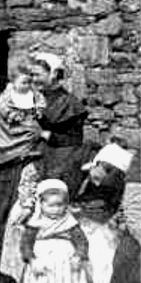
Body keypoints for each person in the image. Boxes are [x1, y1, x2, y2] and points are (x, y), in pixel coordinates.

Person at [0, 57, 46, 283]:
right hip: (9, 165)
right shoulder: (6, 100)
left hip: (29, 161)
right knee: (3, 217)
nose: (29, 84)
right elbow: (6, 125)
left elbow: (40, 118)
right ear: (13, 81)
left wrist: (35, 128)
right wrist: (26, 129)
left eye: (32, 80)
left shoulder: (36, 97)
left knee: (24, 217)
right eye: (25, 80)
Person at [20, 179, 96, 283]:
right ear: (41, 205)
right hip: (42, 264)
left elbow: (81, 242)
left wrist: (79, 255)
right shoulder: (34, 224)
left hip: (66, 266)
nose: (56, 210)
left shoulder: (70, 223)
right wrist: (32, 260)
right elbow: (25, 245)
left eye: (60, 205)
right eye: (51, 206)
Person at [70, 142, 134, 283]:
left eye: (107, 170)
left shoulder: (116, 189)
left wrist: (111, 218)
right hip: (83, 228)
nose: (99, 173)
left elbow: (113, 212)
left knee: (102, 267)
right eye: (99, 166)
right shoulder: (85, 179)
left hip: (103, 232)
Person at [30, 52, 88, 192]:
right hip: (38, 159)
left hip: (61, 163)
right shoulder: (36, 98)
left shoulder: (69, 103)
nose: (34, 79)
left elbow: (74, 140)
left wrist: (45, 134)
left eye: (38, 75)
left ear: (54, 74)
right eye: (32, 75)